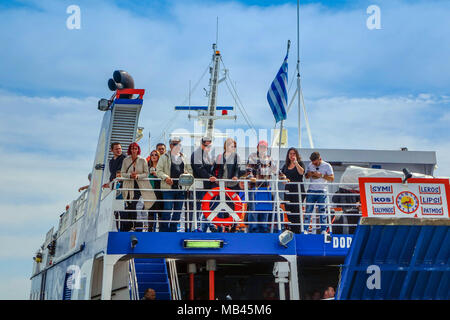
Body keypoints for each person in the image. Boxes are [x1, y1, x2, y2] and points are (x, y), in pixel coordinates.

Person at [156, 137, 191, 232]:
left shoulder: (184, 157)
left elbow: (190, 170)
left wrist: (187, 174)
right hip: (168, 188)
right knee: (167, 209)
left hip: (181, 189)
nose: (176, 146)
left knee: (178, 211)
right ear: (170, 145)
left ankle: (173, 230)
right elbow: (158, 171)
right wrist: (166, 177)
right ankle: (163, 231)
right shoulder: (164, 157)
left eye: (178, 144)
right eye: (174, 144)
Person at [120, 142, 156, 232]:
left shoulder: (142, 160)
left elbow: (146, 173)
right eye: (132, 148)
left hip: (140, 186)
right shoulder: (126, 160)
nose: (134, 150)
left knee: (135, 205)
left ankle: (137, 227)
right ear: (130, 150)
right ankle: (132, 226)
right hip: (129, 186)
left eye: (135, 148)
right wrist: (130, 175)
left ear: (138, 149)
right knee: (129, 206)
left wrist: (137, 176)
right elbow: (122, 173)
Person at [303, 152, 334, 234]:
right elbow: (306, 176)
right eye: (313, 163)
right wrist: (310, 174)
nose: (314, 164)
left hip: (322, 191)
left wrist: (321, 175)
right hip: (311, 190)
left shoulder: (327, 166)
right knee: (308, 211)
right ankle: (305, 229)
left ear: (320, 159)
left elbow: (332, 178)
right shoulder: (310, 165)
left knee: (322, 211)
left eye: (316, 163)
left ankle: (323, 230)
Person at [191, 136, 217, 232]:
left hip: (206, 185)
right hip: (199, 185)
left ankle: (205, 226)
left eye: (209, 145)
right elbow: (199, 168)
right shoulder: (197, 154)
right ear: (201, 144)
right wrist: (209, 177)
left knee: (206, 206)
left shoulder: (207, 155)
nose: (207, 146)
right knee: (198, 206)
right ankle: (197, 227)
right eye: (205, 144)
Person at [280, 148, 305, 233]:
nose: (292, 155)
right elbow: (282, 176)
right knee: (288, 209)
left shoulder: (300, 163)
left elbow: (301, 173)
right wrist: (283, 179)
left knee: (297, 210)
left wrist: (296, 163)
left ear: (296, 155)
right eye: (290, 154)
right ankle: (292, 228)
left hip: (297, 191)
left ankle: (298, 230)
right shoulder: (285, 166)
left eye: (294, 153)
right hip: (288, 191)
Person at [147, 150, 163, 232]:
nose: (154, 156)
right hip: (150, 191)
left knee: (159, 210)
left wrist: (157, 174)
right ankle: (150, 229)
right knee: (150, 210)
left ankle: (160, 229)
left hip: (159, 190)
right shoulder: (148, 168)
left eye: (156, 155)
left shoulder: (161, 167)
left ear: (158, 156)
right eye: (152, 155)